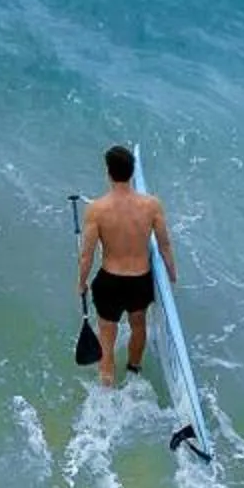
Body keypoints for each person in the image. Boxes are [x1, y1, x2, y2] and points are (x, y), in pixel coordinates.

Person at [77, 143, 174, 388]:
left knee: (107, 336)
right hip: (140, 280)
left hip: (109, 281)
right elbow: (164, 245)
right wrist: (172, 274)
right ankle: (134, 371)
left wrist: (81, 283)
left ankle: (107, 383)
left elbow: (87, 255)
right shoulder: (152, 205)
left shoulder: (97, 209)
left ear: (108, 172)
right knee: (138, 325)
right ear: (132, 173)